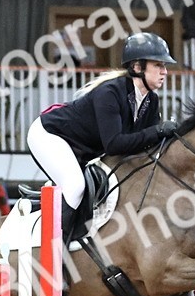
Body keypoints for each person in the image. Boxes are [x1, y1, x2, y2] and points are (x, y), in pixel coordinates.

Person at [28, 32, 178, 241]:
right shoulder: (110, 92)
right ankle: (55, 251)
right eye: (158, 66)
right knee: (75, 186)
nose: (165, 72)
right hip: (50, 135)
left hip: (83, 148)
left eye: (165, 66)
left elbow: (145, 147)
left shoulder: (151, 101)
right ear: (137, 67)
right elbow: (115, 143)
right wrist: (158, 131)